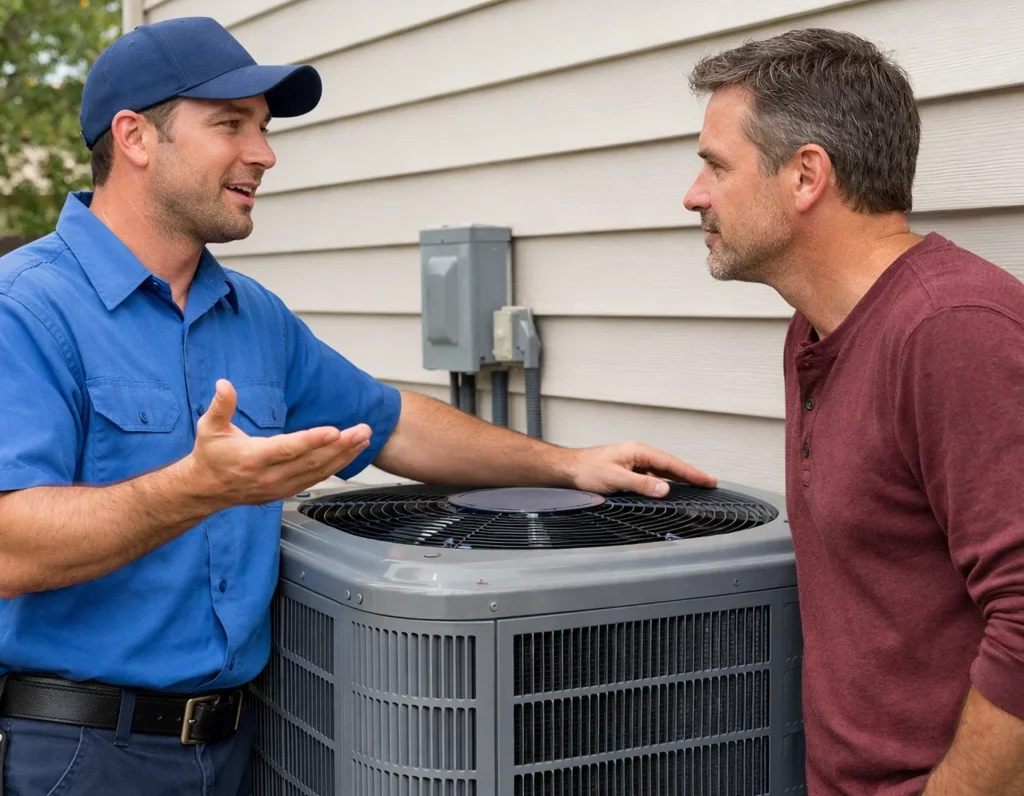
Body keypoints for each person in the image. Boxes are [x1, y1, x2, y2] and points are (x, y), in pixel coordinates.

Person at [0, 16, 717, 796]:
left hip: (238, 748)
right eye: (229, 124)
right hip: (76, 755)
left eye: (266, 129)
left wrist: (567, 464)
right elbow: (11, 550)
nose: (264, 153)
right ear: (136, 137)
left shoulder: (252, 315)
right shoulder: (28, 310)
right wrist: (196, 489)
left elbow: (394, 423)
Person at [683, 27, 1024, 796]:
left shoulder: (954, 330)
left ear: (806, 176)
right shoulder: (813, 326)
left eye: (715, 165)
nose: (694, 193)